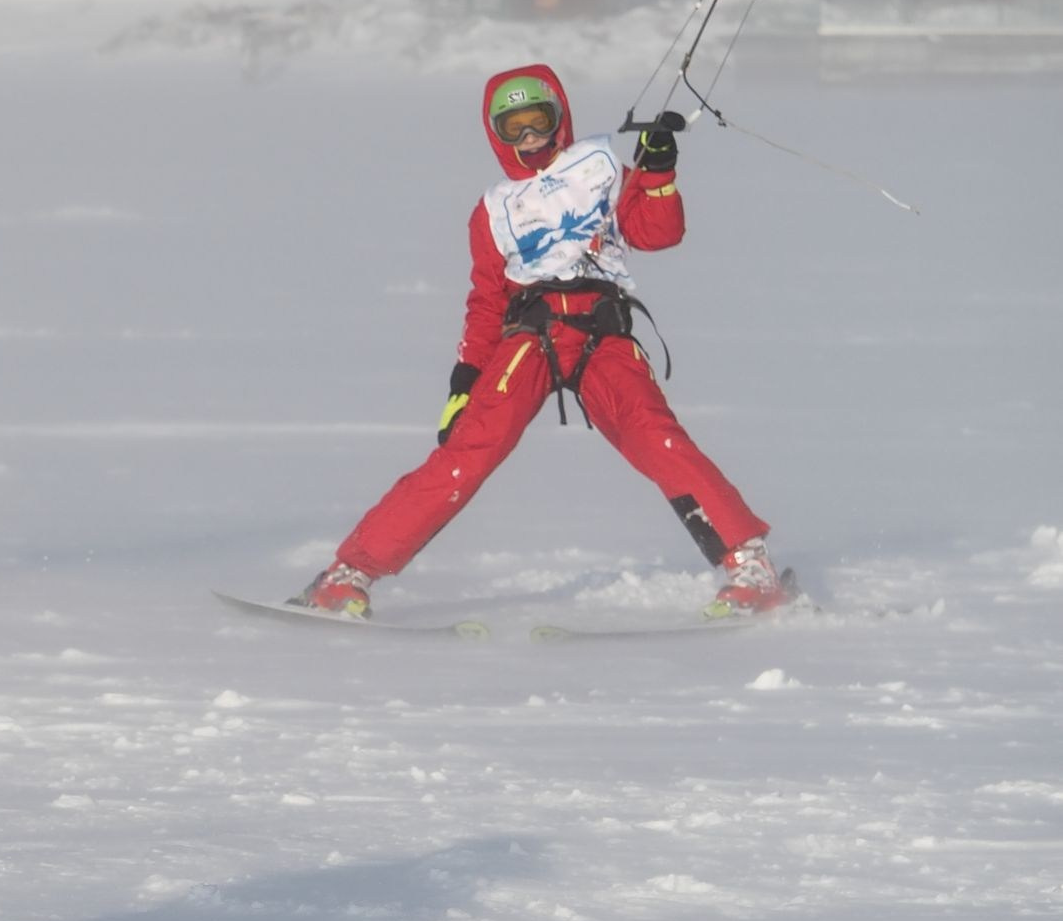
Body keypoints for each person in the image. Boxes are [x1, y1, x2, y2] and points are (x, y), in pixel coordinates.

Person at [294, 64, 795, 620]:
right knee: (466, 454)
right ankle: (348, 574)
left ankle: (751, 567)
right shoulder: (493, 209)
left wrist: (657, 172)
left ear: (560, 119)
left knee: (657, 438)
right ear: (496, 135)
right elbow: (487, 301)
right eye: (514, 128)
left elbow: (656, 232)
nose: (530, 137)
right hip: (530, 336)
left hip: (603, 332)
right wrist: (465, 380)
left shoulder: (601, 167)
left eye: (539, 121)